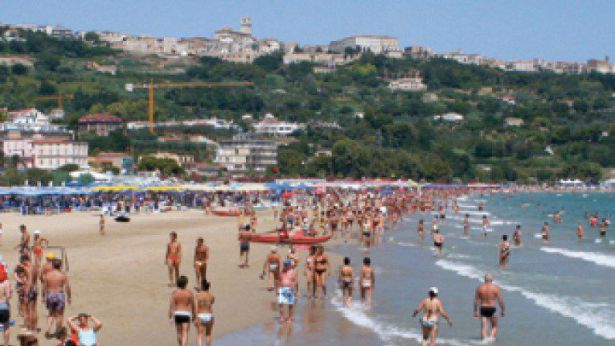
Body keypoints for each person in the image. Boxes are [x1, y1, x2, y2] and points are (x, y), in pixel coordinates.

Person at [42, 259, 71, 338]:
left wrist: (43, 296)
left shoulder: (47, 275)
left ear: (53, 265)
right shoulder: (62, 275)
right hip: (59, 295)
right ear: (60, 266)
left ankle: (48, 330)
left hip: (50, 294)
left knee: (51, 314)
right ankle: (58, 331)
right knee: (59, 315)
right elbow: (67, 287)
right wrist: (69, 297)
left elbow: (44, 287)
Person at [474, 274, 505, 341]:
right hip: (492, 309)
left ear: (484, 279)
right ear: (492, 280)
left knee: (484, 327)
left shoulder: (480, 288)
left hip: (483, 308)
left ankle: (484, 342)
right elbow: (500, 300)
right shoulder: (495, 288)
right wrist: (503, 310)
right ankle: (491, 339)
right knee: (494, 326)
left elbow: (476, 301)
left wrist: (475, 311)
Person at [169, 276, 195, 346]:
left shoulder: (174, 293)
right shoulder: (189, 293)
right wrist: (194, 315)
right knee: (185, 332)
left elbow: (172, 306)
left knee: (179, 332)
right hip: (186, 313)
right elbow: (193, 305)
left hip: (177, 313)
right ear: (186, 283)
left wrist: (170, 317)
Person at [194, 280, 214, 346]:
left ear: (202, 286)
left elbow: (196, 308)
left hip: (201, 315)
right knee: (208, 335)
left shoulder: (198, 296)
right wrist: (213, 317)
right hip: (209, 315)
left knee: (200, 335)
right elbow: (211, 307)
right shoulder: (211, 296)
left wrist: (195, 318)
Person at [0, 265, 12, 346]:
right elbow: (8, 296)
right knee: (6, 327)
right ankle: (6, 344)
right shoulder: (6, 283)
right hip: (4, 306)